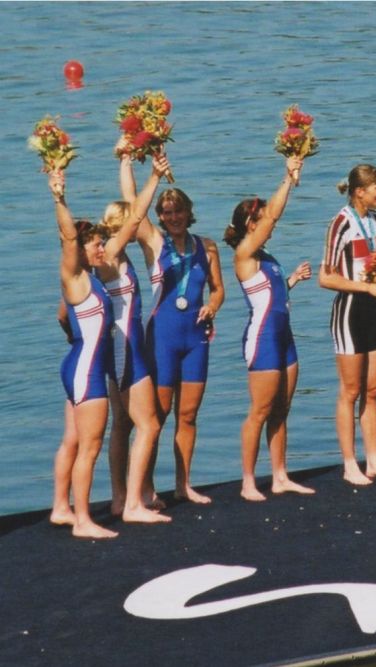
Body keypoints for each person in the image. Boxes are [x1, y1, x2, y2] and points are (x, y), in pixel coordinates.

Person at [123, 158, 226, 504]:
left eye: (178, 211)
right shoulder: (155, 243)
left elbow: (218, 290)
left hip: (195, 339)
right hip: (162, 338)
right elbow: (133, 205)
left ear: (188, 212)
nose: (173, 217)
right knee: (157, 416)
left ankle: (184, 485)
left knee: (189, 415)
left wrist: (213, 306)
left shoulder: (207, 247)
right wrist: (130, 164)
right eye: (166, 213)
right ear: (160, 216)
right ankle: (147, 488)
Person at [224, 154, 316, 500]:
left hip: (284, 339)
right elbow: (274, 214)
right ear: (251, 224)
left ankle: (280, 476)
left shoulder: (267, 258)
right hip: (263, 340)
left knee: (281, 410)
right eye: (262, 220)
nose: (270, 224)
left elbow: (272, 296)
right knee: (260, 412)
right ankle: (248, 482)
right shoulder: (244, 253)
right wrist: (288, 178)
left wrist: (291, 280)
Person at [319, 164, 376, 484]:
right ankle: (349, 464)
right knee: (351, 390)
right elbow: (326, 278)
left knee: (373, 389)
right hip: (350, 311)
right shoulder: (340, 223)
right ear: (359, 192)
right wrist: (366, 287)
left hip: (375, 310)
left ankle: (374, 460)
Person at [99, 151, 173, 521]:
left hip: (117, 347)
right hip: (125, 349)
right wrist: (155, 177)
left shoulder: (112, 257)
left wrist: (125, 162)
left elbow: (133, 207)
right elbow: (138, 211)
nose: (137, 225)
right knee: (150, 424)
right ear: (120, 227)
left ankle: (119, 499)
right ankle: (133, 505)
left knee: (122, 424)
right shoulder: (111, 254)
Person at [47, 169, 117, 538]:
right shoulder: (75, 276)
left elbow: (63, 316)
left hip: (76, 363)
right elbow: (69, 237)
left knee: (73, 441)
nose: (102, 249)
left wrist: (74, 337)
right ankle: (84, 521)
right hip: (86, 370)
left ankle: (62, 507)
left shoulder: (87, 281)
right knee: (90, 447)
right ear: (81, 250)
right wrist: (60, 197)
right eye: (97, 245)